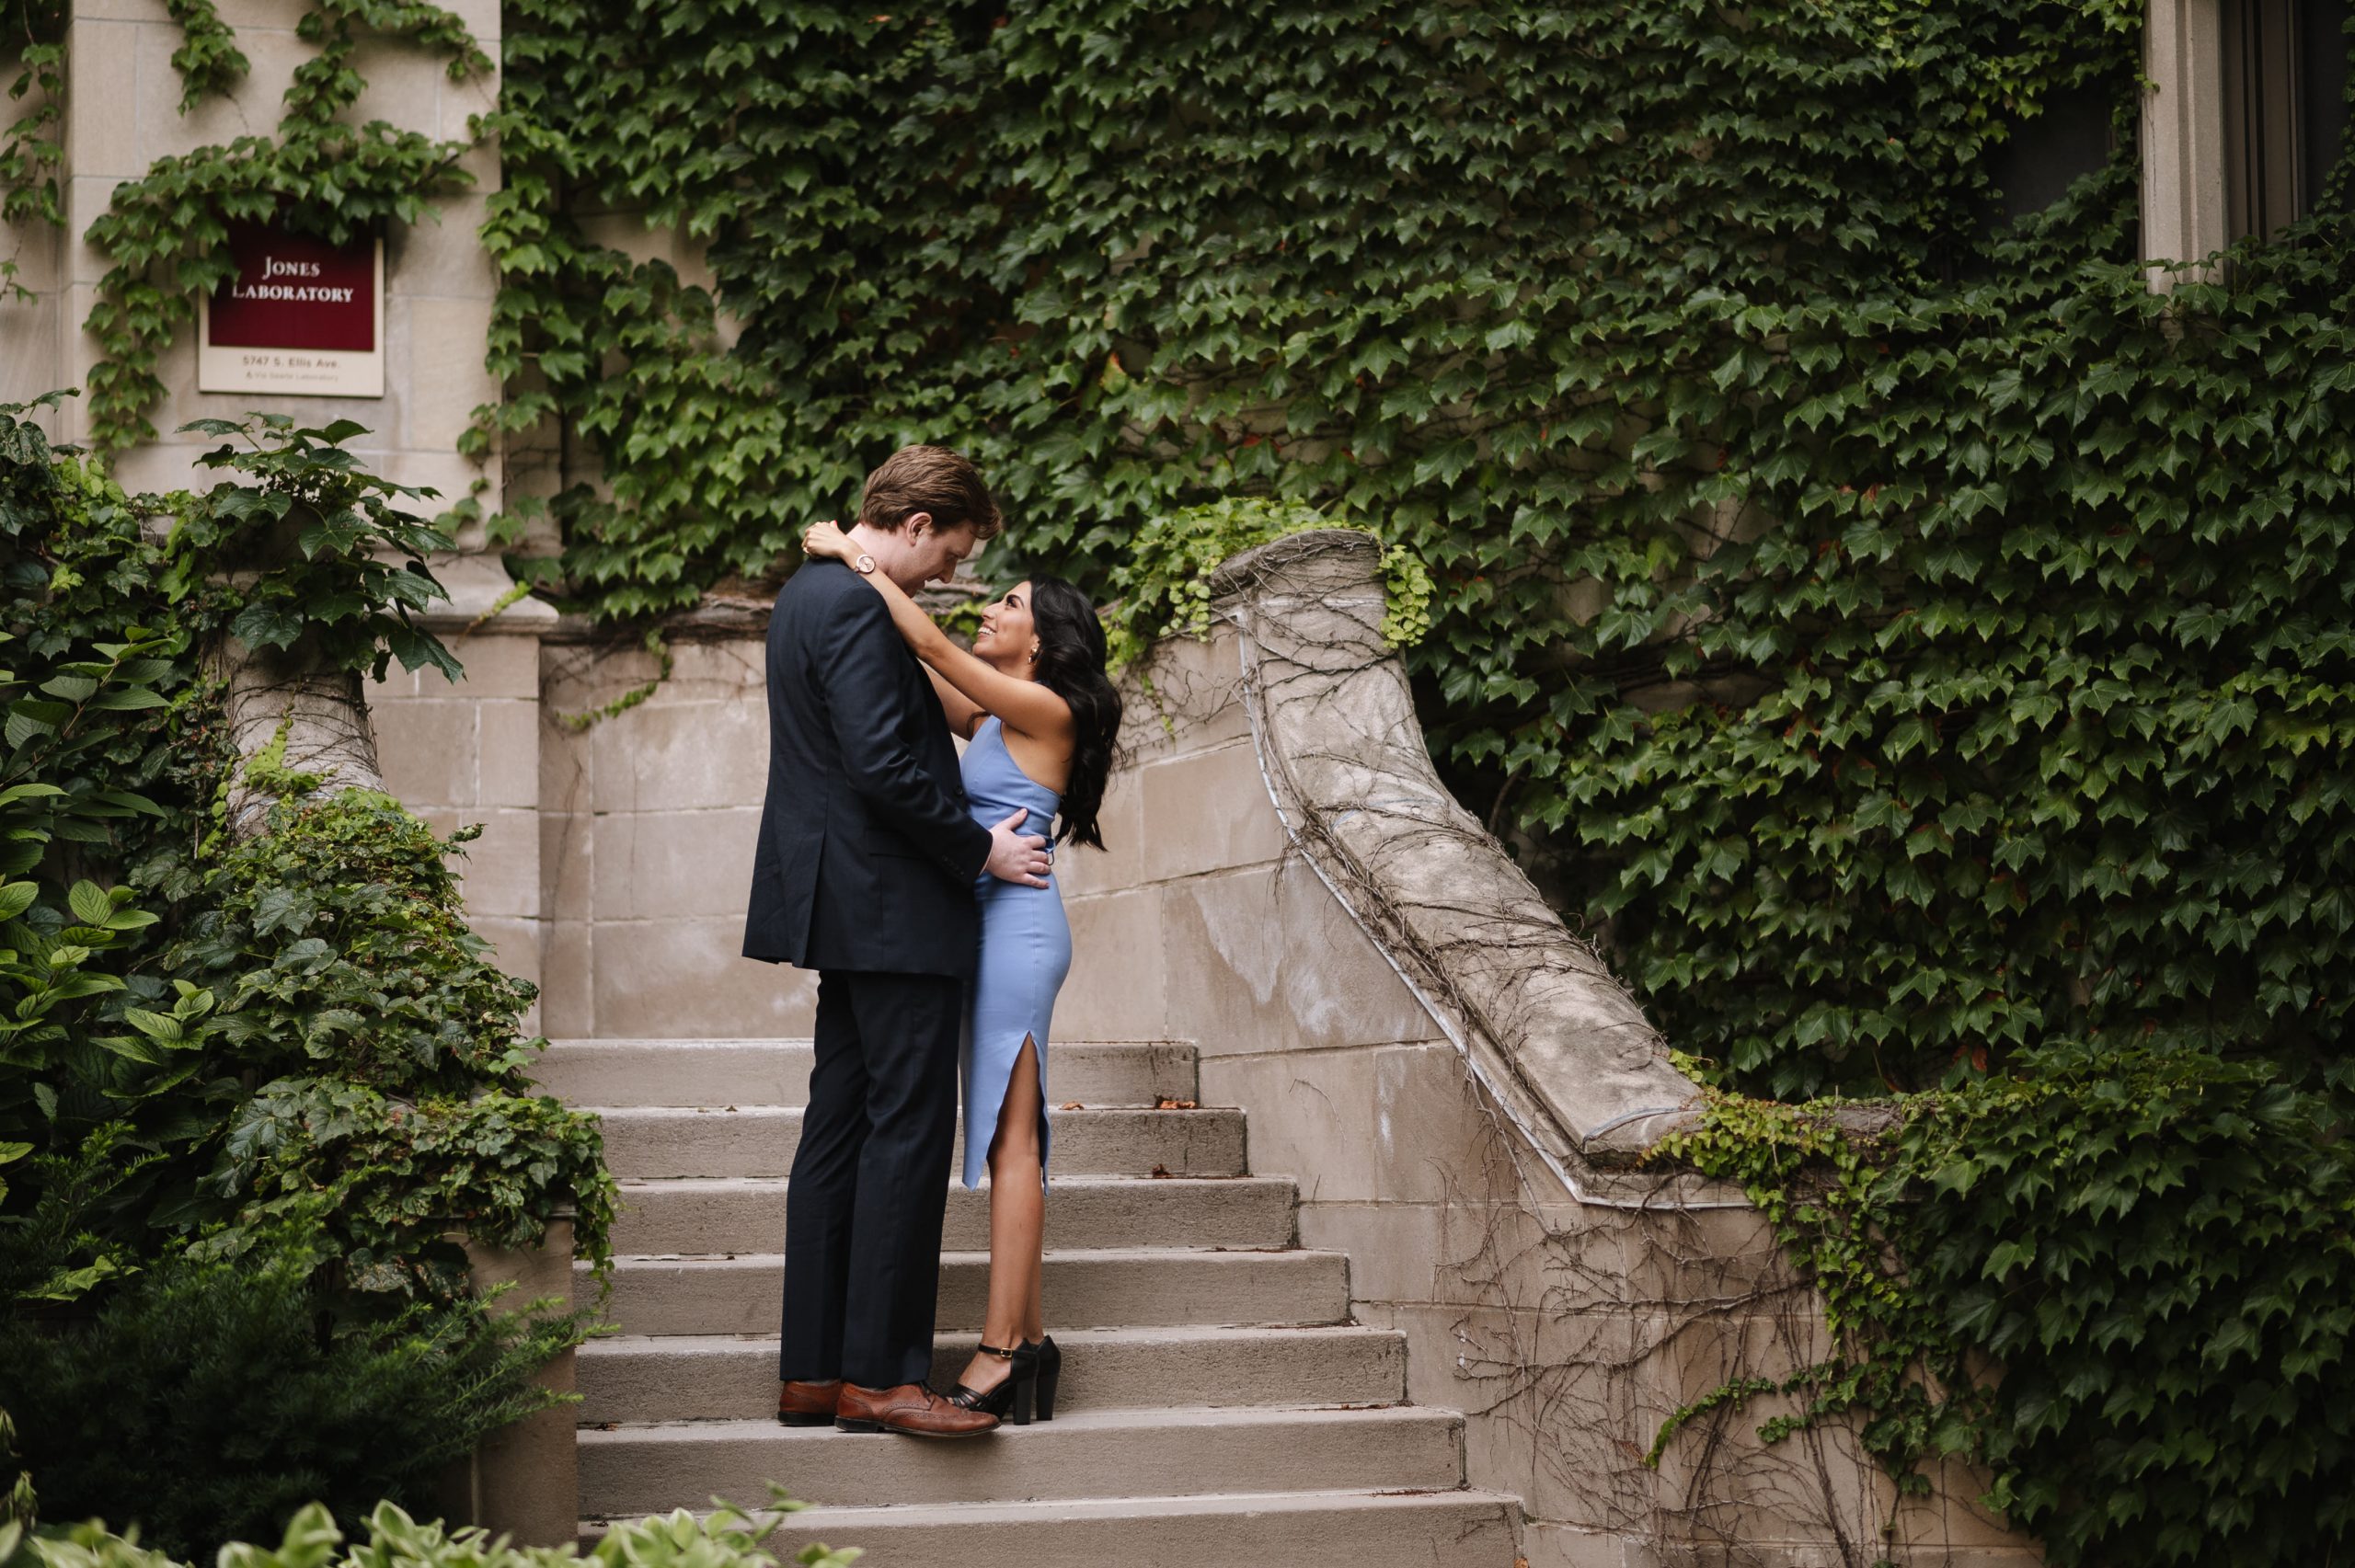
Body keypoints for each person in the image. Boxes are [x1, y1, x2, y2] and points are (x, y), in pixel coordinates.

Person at [742, 445, 1054, 1440]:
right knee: (907, 1132)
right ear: (917, 526)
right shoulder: (855, 606)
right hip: (895, 907)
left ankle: (813, 1373)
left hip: (843, 900)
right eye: (954, 554)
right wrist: (980, 852)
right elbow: (882, 762)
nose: (953, 577)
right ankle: (880, 1376)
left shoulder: (805, 593)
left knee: (835, 1127)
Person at [798, 512, 1121, 1426]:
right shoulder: (992, 716)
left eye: (1009, 603)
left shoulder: (1046, 707)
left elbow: (934, 640)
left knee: (1011, 1140)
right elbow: (918, 671)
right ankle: (1030, 1335)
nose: (989, 605)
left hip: (1019, 932)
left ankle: (1003, 1350)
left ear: (1046, 639)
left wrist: (856, 556)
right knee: (1000, 1136)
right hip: (981, 922)